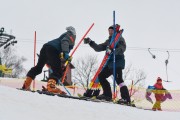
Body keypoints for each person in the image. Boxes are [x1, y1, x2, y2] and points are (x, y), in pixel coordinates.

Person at [84, 24, 131, 104]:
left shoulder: (119, 38)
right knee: (101, 76)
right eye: (109, 31)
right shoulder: (109, 41)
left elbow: (122, 48)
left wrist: (113, 50)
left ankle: (126, 98)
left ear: (115, 31)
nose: (109, 32)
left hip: (117, 62)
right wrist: (90, 42)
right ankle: (107, 95)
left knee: (119, 80)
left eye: (111, 30)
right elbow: (98, 48)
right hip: (110, 64)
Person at [22, 26, 76, 94]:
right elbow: (65, 42)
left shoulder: (62, 37)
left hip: (45, 47)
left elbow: (57, 56)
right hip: (53, 49)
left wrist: (54, 61)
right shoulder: (71, 36)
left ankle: (26, 84)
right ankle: (51, 87)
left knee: (38, 67)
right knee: (58, 71)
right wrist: (66, 54)